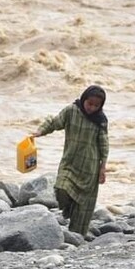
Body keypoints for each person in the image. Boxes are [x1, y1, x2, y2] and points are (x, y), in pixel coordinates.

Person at [32, 85, 109, 236]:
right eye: (89, 103)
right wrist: (40, 131)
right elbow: (55, 122)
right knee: (61, 189)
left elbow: (104, 145)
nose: (92, 108)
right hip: (69, 163)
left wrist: (102, 168)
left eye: (96, 106)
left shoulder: (100, 121)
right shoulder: (71, 111)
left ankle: (76, 241)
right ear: (83, 98)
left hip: (89, 169)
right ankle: (68, 208)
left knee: (81, 216)